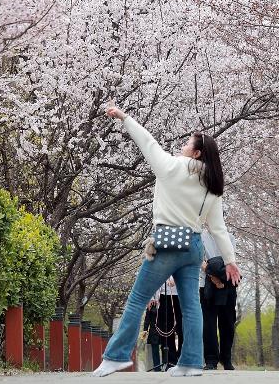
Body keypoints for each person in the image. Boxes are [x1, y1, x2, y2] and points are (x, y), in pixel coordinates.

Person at [92, 104, 242, 378]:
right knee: (191, 306)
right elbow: (218, 228)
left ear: (196, 152)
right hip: (193, 247)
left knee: (137, 298)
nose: (183, 146)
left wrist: (125, 117)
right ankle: (191, 362)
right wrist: (230, 261)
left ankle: (115, 356)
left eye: (187, 143)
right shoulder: (212, 183)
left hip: (167, 244)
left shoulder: (171, 167)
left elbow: (146, 141)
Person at [201, 255, 238, 370]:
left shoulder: (230, 238)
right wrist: (214, 278)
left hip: (227, 283)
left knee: (228, 323)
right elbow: (200, 261)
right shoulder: (200, 237)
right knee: (209, 325)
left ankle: (226, 358)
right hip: (206, 285)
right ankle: (211, 359)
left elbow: (231, 260)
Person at [156, 278, 183, 368]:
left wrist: (177, 278)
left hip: (182, 294)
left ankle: (182, 358)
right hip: (164, 295)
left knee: (182, 329)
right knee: (166, 329)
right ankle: (170, 361)